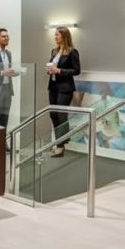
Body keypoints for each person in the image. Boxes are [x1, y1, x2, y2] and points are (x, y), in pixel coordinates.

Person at [46, 26, 81, 157]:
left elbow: (76, 70)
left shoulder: (72, 51)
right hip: (53, 86)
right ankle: (58, 142)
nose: (55, 37)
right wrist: (49, 70)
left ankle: (61, 145)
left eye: (57, 35)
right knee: (53, 114)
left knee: (61, 115)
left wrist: (60, 71)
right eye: (54, 35)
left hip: (65, 88)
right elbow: (52, 66)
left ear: (64, 36)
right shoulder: (54, 51)